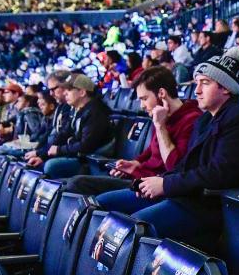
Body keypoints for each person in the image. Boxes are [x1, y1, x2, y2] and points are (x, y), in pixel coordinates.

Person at [94, 48, 239, 241]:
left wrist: (166, 184)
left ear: (225, 88)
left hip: (208, 206)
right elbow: (185, 165)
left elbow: (219, 174)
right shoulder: (205, 120)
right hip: (186, 196)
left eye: (205, 83)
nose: (197, 90)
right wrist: (152, 182)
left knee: (133, 229)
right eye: (197, 83)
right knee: (102, 204)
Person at [66, 66, 202, 197]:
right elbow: (151, 151)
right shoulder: (161, 113)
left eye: (144, 99)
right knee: (76, 181)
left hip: (153, 187)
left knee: (77, 184)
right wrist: (134, 163)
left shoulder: (191, 120)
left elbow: (174, 167)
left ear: (161, 94)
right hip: (139, 177)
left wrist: (160, 126)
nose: (142, 106)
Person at [27, 73, 112, 179]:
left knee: (51, 166)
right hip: (77, 156)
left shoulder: (95, 112)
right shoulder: (77, 110)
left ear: (82, 92)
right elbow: (63, 135)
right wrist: (42, 156)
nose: (65, 93)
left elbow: (86, 146)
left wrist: (59, 150)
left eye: (69, 90)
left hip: (89, 163)